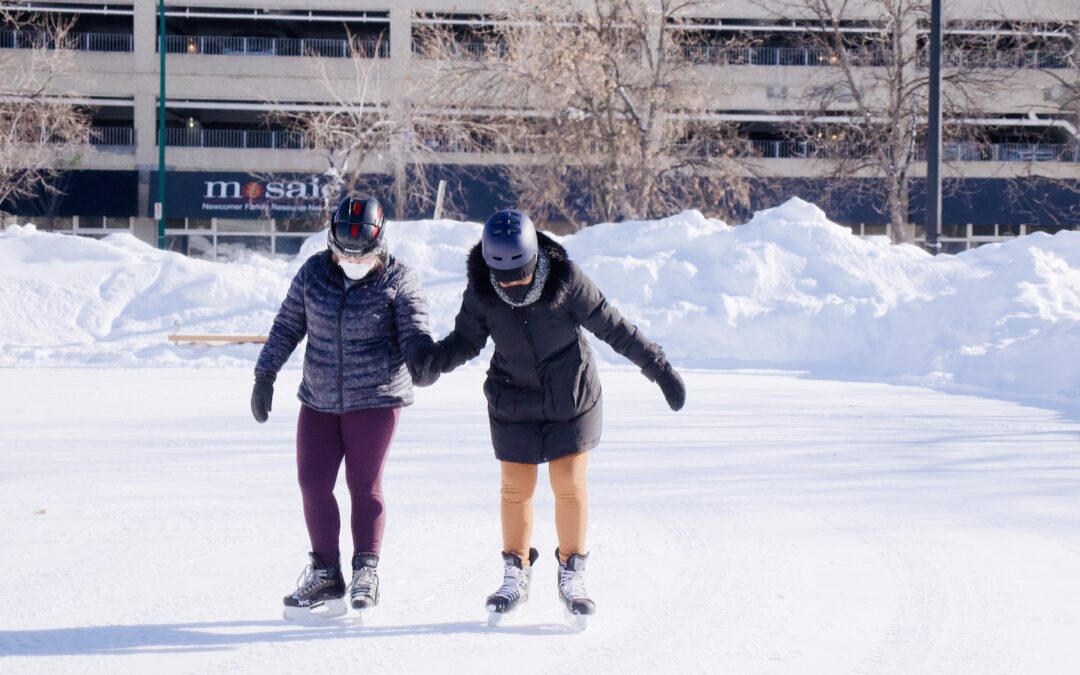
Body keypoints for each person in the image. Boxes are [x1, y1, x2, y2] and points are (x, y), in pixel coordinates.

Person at [420, 209, 686, 627]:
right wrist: (434, 362)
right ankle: (516, 573)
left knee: (568, 482)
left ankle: (572, 573)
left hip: (570, 397)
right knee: (515, 486)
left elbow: (613, 326)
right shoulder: (482, 290)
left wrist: (659, 368)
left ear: (533, 260)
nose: (511, 286)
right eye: (502, 279)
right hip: (513, 397)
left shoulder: (567, 280)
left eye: (519, 276)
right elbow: (466, 340)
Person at [251, 195, 435, 622]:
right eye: (344, 252)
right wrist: (265, 376)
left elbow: (415, 331)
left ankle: (365, 570)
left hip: (376, 397)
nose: (353, 260)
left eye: (363, 253)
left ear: (380, 243)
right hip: (318, 398)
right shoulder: (315, 273)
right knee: (312, 483)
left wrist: (423, 360)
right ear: (332, 241)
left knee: (362, 483)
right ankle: (326, 575)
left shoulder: (399, 279)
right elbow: (287, 325)